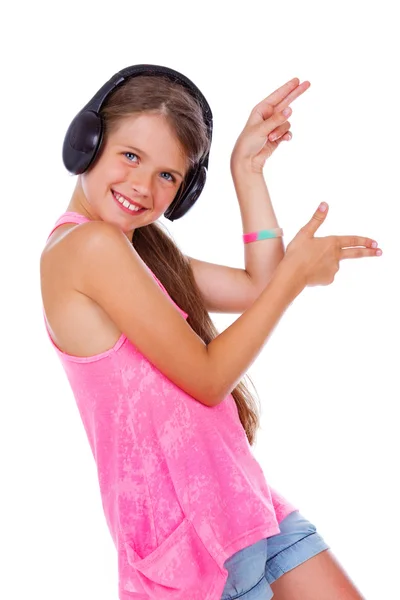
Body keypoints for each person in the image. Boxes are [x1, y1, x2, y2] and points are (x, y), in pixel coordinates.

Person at [40, 65, 380, 600]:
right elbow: (208, 377)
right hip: (192, 547)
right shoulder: (89, 249)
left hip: (241, 507)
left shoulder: (135, 248)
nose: (141, 186)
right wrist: (293, 279)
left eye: (167, 176)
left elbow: (256, 286)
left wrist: (247, 171)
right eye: (131, 156)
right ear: (88, 141)